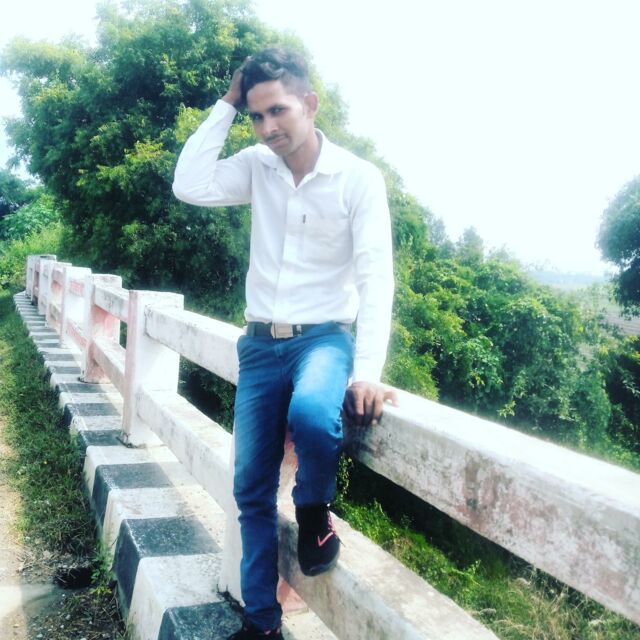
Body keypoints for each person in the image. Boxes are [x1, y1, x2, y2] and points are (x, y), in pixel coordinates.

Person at [172, 47, 396, 640]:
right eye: (256, 115)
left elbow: (376, 279)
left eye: (278, 111)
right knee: (249, 488)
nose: (268, 127)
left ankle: (314, 509)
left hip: (324, 339)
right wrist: (226, 103)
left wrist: (368, 370)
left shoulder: (357, 178)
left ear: (309, 104)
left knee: (316, 415)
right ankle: (261, 624)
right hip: (259, 346)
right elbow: (189, 184)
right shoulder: (256, 166)